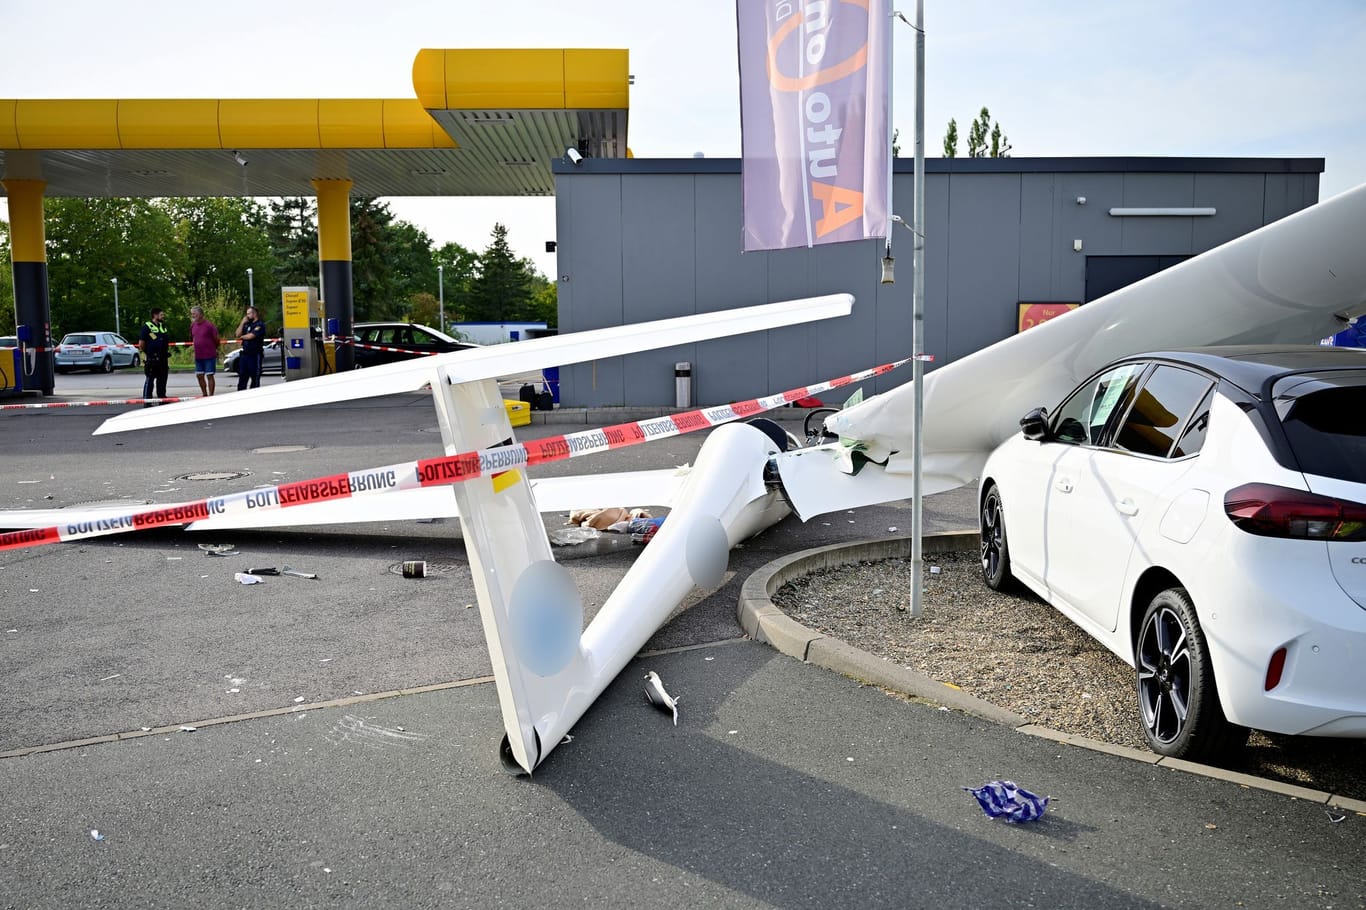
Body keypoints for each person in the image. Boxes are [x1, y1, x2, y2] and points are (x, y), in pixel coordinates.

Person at [138, 307, 170, 405]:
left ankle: (162, 399)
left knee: (162, 380)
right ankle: (147, 401)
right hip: (152, 358)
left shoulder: (162, 326)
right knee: (150, 380)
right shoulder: (147, 327)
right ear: (155, 315)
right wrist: (149, 353)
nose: (163, 316)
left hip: (163, 358)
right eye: (161, 315)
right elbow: (141, 344)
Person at [189, 306, 220, 397]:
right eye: (192, 314)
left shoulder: (209, 325)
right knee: (199, 375)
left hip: (209, 355)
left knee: (209, 375)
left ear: (201, 314)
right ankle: (204, 394)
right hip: (198, 356)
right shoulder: (193, 325)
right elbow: (192, 337)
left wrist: (214, 348)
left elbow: (216, 339)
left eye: (194, 313)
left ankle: (211, 395)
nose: (193, 315)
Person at [235, 305, 267, 391]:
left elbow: (251, 336)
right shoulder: (246, 324)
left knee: (254, 377)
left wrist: (242, 337)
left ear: (254, 314)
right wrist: (242, 323)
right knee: (242, 376)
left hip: (255, 354)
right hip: (245, 354)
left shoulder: (260, 325)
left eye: (248, 314)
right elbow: (237, 334)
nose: (247, 316)